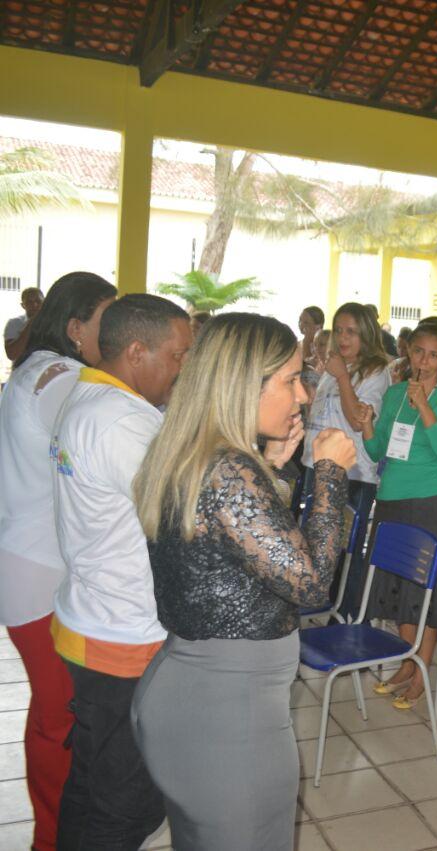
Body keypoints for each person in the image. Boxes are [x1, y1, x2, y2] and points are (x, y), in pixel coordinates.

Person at [131, 314, 354, 850]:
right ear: (241, 383)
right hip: (227, 715)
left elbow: (235, 553)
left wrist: (274, 470)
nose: (303, 395)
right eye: (291, 379)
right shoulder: (230, 470)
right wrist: (329, 473)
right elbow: (310, 584)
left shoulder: (201, 454)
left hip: (199, 693)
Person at [49, 293, 192, 848]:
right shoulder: (121, 423)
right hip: (122, 638)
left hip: (93, 619)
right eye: (178, 356)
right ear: (137, 351)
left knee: (89, 783)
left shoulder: (89, 397)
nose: (183, 368)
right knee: (124, 803)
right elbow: (184, 517)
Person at [0, 272, 115, 851]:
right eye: (106, 323)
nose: (118, 335)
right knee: (59, 717)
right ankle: (53, 839)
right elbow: (103, 439)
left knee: (50, 712)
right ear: (76, 329)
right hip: (39, 574)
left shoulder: (37, 367)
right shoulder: (59, 378)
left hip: (29, 564)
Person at [357, 324, 437, 709]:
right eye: (418, 351)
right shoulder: (394, 393)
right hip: (391, 500)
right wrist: (367, 423)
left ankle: (420, 673)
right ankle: (407, 663)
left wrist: (424, 405)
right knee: (399, 589)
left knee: (425, 590)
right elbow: (376, 451)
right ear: (408, 351)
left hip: (429, 501)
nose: (423, 360)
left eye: (433, 355)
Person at [302, 302, 390, 618]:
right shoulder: (338, 365)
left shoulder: (376, 372)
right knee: (317, 542)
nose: (342, 338)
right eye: (339, 330)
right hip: (318, 464)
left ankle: (347, 615)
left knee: (345, 550)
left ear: (366, 334)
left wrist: (341, 378)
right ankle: (320, 606)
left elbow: (357, 421)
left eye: (351, 331)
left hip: (352, 473)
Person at [4, 286, 44, 362]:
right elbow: (11, 354)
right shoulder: (14, 323)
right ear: (23, 305)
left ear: (44, 303)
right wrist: (30, 323)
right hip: (22, 371)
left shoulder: (54, 324)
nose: (35, 305)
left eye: (38, 301)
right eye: (29, 302)